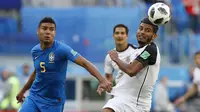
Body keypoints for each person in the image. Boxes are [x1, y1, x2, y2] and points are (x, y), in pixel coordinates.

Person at [16, 17, 112, 112]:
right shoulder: (35, 51)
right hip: (34, 97)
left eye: (51, 29)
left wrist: (102, 80)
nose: (48, 32)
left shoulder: (62, 49)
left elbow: (84, 63)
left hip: (53, 102)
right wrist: (23, 91)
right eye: (44, 28)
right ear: (38, 31)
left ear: (55, 33)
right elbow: (37, 72)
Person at [98, 17, 161, 112]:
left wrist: (116, 58)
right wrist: (107, 83)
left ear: (154, 36)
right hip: (122, 99)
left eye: (147, 30)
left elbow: (131, 71)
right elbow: (124, 74)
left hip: (137, 104)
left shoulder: (151, 50)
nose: (142, 32)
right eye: (141, 28)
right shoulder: (135, 52)